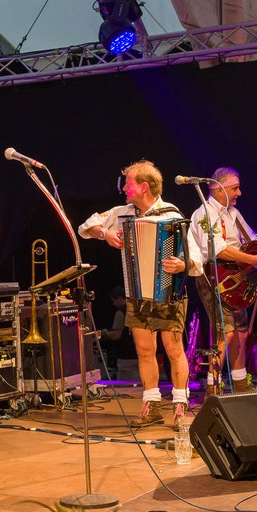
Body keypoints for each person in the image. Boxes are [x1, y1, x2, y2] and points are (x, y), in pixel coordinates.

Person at [79, 160, 202, 425]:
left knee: (173, 349)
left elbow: (197, 260)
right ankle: (152, 405)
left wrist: (182, 264)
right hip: (137, 292)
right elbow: (86, 227)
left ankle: (180, 404)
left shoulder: (172, 216)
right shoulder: (123, 213)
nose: (124, 189)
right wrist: (104, 234)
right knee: (144, 350)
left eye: (128, 184)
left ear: (144, 186)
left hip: (168, 293)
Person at [189, 167, 257, 392]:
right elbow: (218, 249)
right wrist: (251, 260)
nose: (239, 193)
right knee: (225, 332)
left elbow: (253, 238)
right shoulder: (204, 214)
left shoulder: (233, 213)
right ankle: (212, 388)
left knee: (241, 331)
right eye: (234, 188)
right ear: (218, 189)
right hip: (214, 277)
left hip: (236, 279)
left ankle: (239, 384)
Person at [100, 286, 139, 381]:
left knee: (128, 386)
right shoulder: (138, 310)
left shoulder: (120, 313)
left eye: (114, 301)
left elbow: (116, 335)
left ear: (120, 298)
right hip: (140, 355)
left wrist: (103, 333)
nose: (113, 304)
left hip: (126, 358)